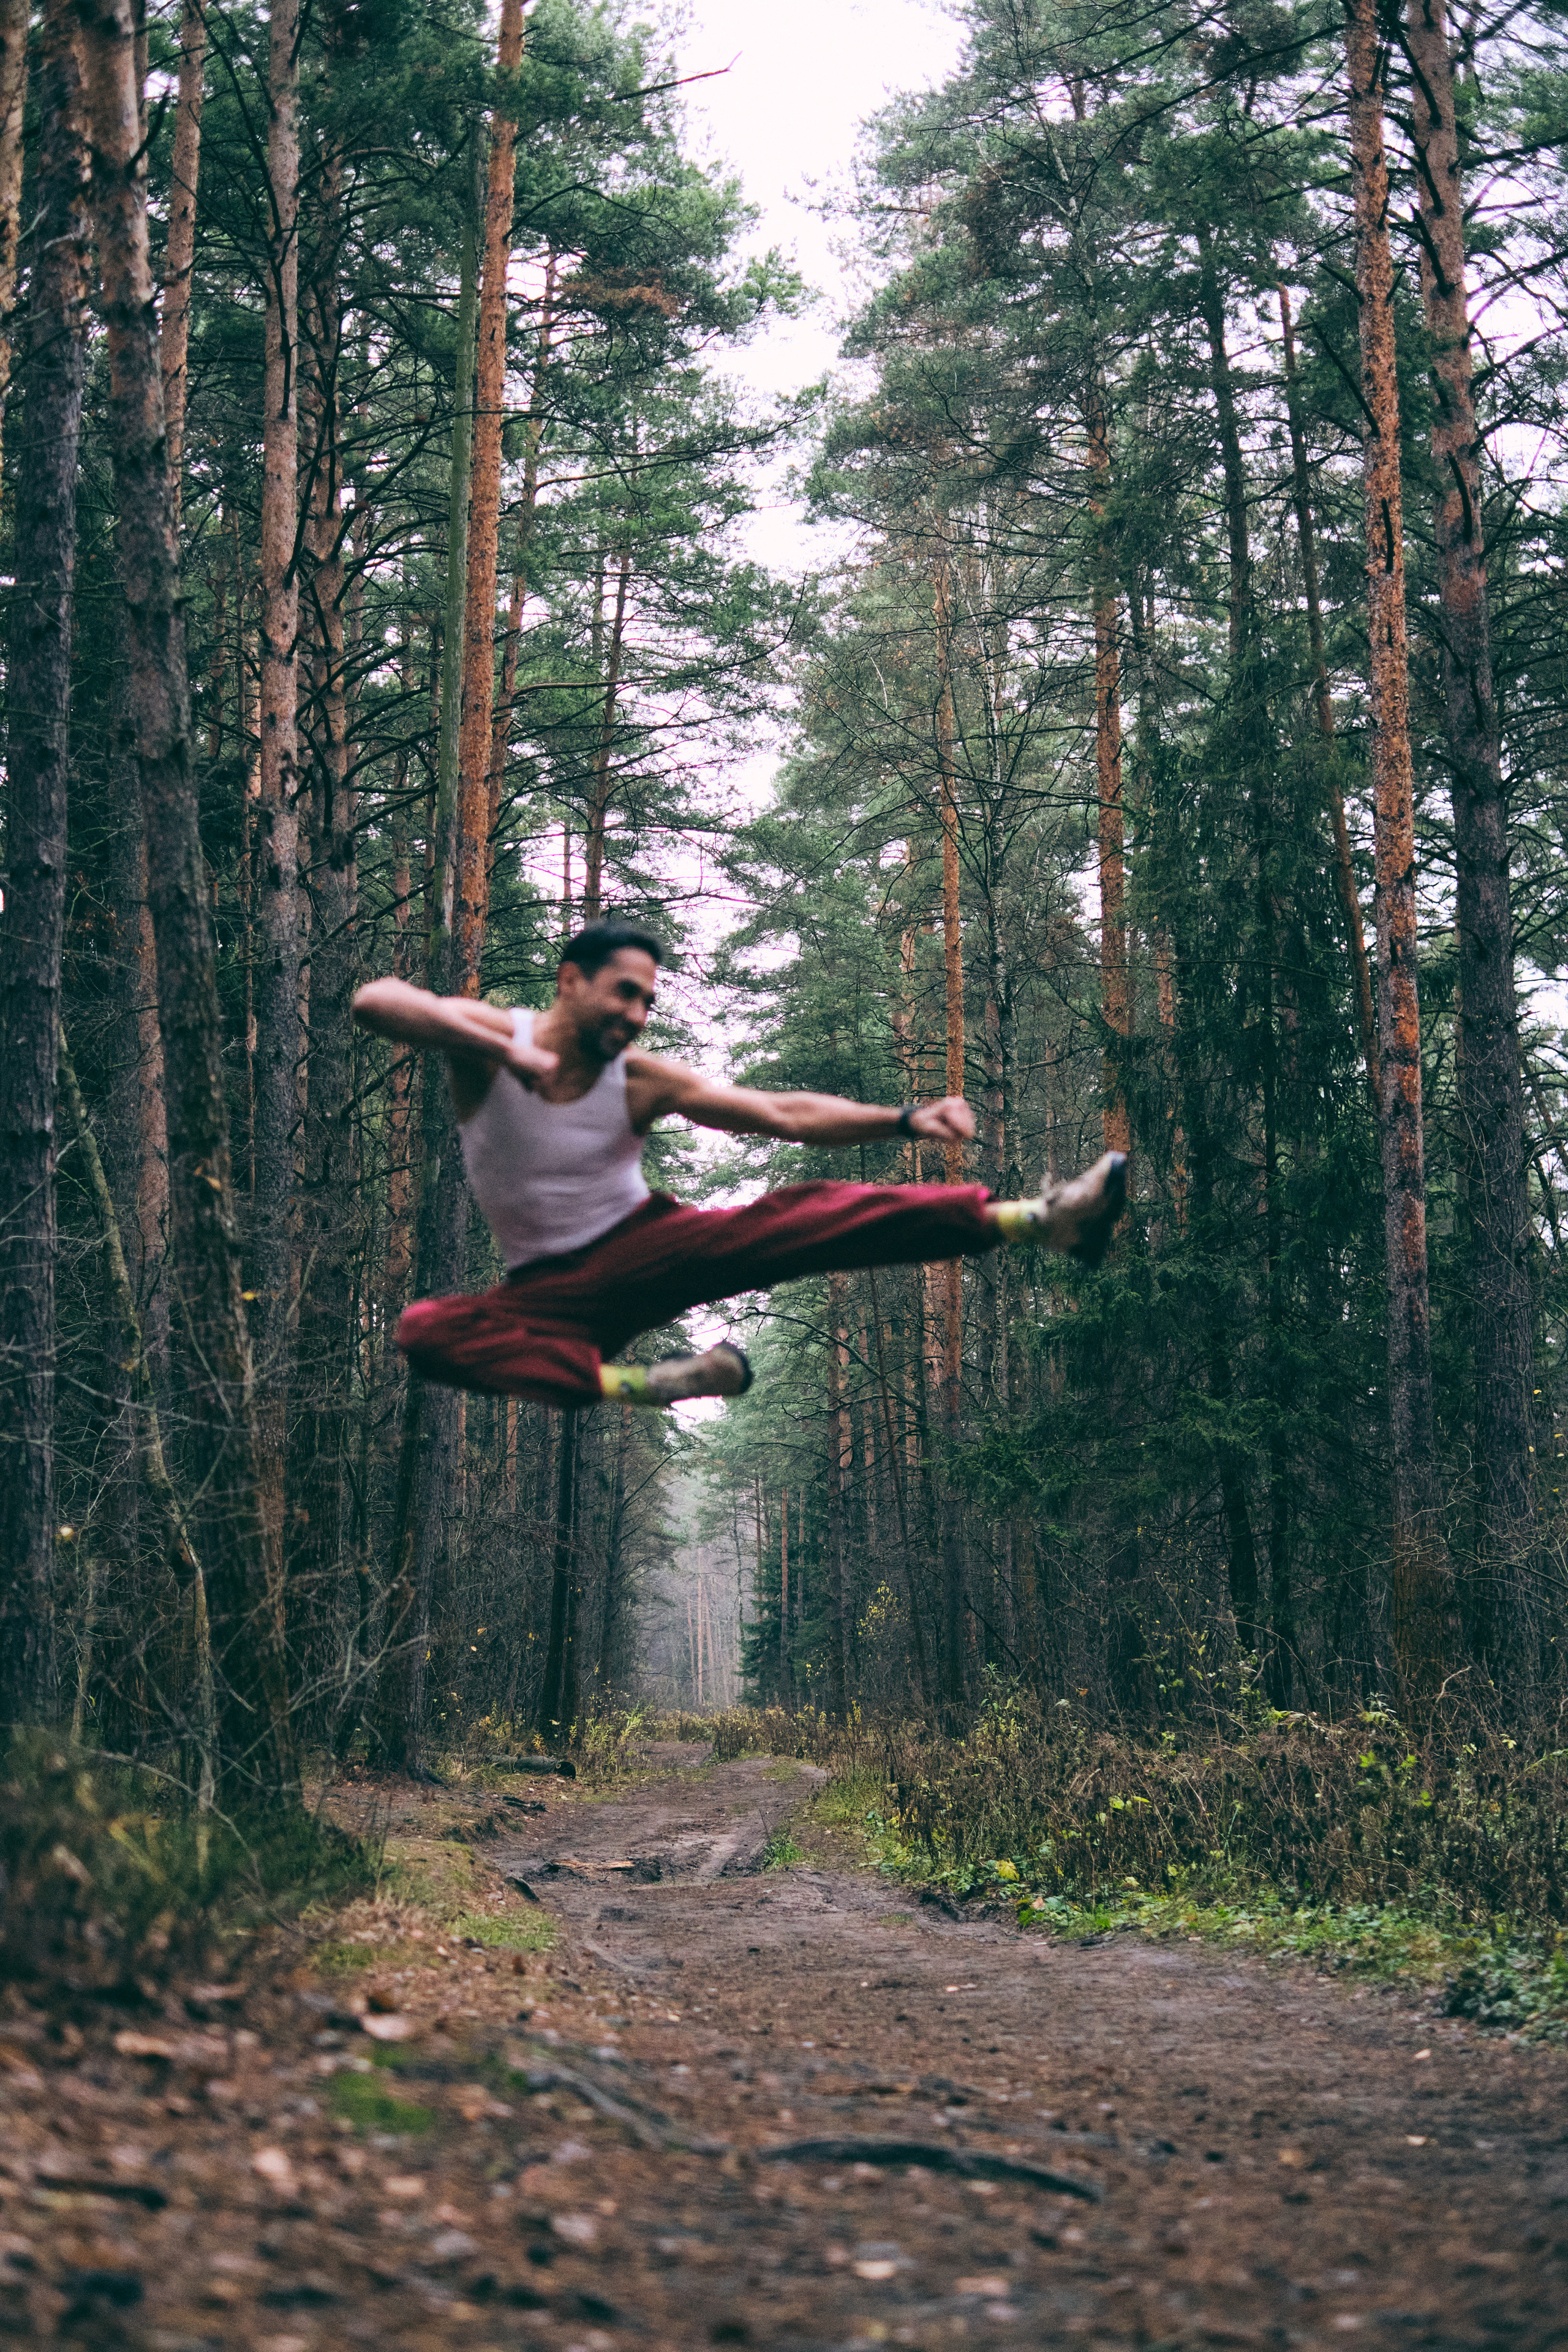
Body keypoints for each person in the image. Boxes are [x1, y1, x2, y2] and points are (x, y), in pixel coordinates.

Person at [353, 920, 1127, 1411]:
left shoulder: (643, 1079)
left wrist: (901, 1119)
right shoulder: (487, 1045)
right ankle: (649, 1386)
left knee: (798, 1217)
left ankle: (1035, 1220)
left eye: (647, 1002)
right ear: (569, 982)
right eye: (624, 993)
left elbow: (781, 1114)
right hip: (549, 1297)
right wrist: (500, 1048)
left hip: (644, 1247)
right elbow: (376, 1001)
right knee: (426, 1331)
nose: (635, 1015)